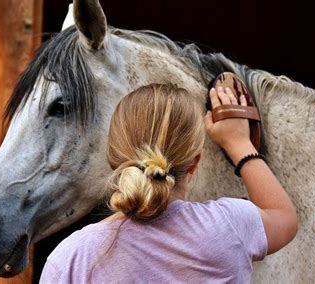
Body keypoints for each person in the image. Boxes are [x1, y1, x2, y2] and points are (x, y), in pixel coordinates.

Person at [40, 81, 298, 283]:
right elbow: (283, 217)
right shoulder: (228, 226)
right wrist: (239, 143)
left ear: (114, 160)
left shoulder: (70, 259)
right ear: (196, 162)